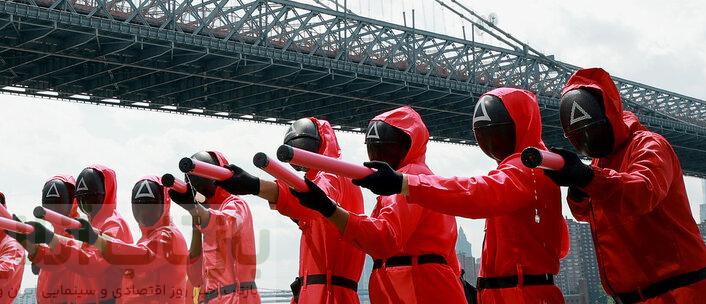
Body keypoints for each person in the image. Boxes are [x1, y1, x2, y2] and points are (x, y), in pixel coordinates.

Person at [351, 90, 567, 303]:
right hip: (506, 293)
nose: (489, 140)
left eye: (496, 131)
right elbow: (562, 246)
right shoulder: (530, 170)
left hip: (522, 294)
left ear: (522, 125)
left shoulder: (529, 168)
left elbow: (478, 194)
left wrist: (404, 183)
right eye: (483, 133)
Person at [545, 68, 706, 304]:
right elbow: (590, 214)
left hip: (680, 295)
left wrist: (587, 177)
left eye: (593, 130)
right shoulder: (601, 162)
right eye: (579, 137)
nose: (588, 140)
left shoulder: (650, 145)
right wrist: (578, 189)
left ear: (609, 116)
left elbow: (642, 193)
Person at [288, 107, 467, 304]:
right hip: (413, 288)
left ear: (408, 146)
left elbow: (384, 238)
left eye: (385, 149)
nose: (378, 157)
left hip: (417, 290)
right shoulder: (420, 180)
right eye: (373, 149)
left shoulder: (411, 177)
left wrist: (327, 208)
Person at [219, 117, 366, 304]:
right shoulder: (340, 178)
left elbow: (313, 199)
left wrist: (254, 185)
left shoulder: (332, 175)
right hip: (319, 291)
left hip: (328, 295)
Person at [170, 151, 261, 304]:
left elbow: (225, 225)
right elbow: (195, 278)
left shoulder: (236, 205)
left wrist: (196, 209)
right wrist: (195, 218)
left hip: (237, 298)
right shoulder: (205, 217)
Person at [107, 176, 189, 303]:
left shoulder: (169, 236)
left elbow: (141, 257)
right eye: (140, 207)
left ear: (164, 204)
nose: (144, 213)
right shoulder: (145, 240)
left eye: (150, 207)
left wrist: (99, 241)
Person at [64, 165, 133, 304]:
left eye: (91, 199)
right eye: (82, 200)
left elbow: (92, 264)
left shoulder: (113, 224)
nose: (86, 204)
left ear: (106, 194)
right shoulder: (92, 225)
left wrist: (55, 244)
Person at [27, 175, 94, 304]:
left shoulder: (78, 233)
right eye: (50, 205)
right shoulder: (52, 235)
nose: (53, 209)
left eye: (58, 204)